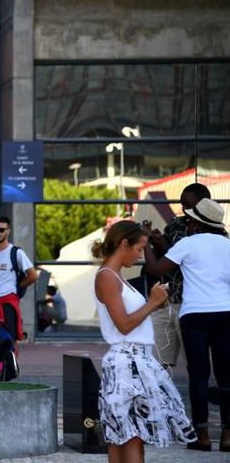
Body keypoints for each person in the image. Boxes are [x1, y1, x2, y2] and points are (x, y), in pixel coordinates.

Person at [92, 220, 196, 463]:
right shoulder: (108, 277)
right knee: (132, 435)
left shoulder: (115, 276)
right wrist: (152, 302)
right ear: (123, 244)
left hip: (134, 361)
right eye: (139, 248)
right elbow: (124, 324)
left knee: (126, 435)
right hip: (127, 363)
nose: (141, 255)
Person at [144, 198, 230, 452]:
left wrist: (148, 241)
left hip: (194, 316)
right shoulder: (227, 245)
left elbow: (154, 268)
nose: (187, 223)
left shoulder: (188, 243)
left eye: (190, 219)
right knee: (226, 374)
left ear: (195, 222)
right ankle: (227, 436)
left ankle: (202, 436)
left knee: (199, 375)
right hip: (226, 314)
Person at [142, 183, 216, 368]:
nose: (183, 209)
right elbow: (169, 256)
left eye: (188, 205)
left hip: (191, 304)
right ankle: (162, 396)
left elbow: (179, 261)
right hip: (166, 299)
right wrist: (158, 243)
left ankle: (200, 396)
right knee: (158, 363)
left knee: (196, 365)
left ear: (203, 205)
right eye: (181, 204)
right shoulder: (176, 223)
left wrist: (148, 243)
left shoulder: (215, 233)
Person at [0, 216, 37, 343]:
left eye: (1, 229)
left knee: (11, 340)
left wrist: (17, 286)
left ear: (8, 231)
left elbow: (33, 275)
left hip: (8, 302)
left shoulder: (16, 252)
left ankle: (12, 363)